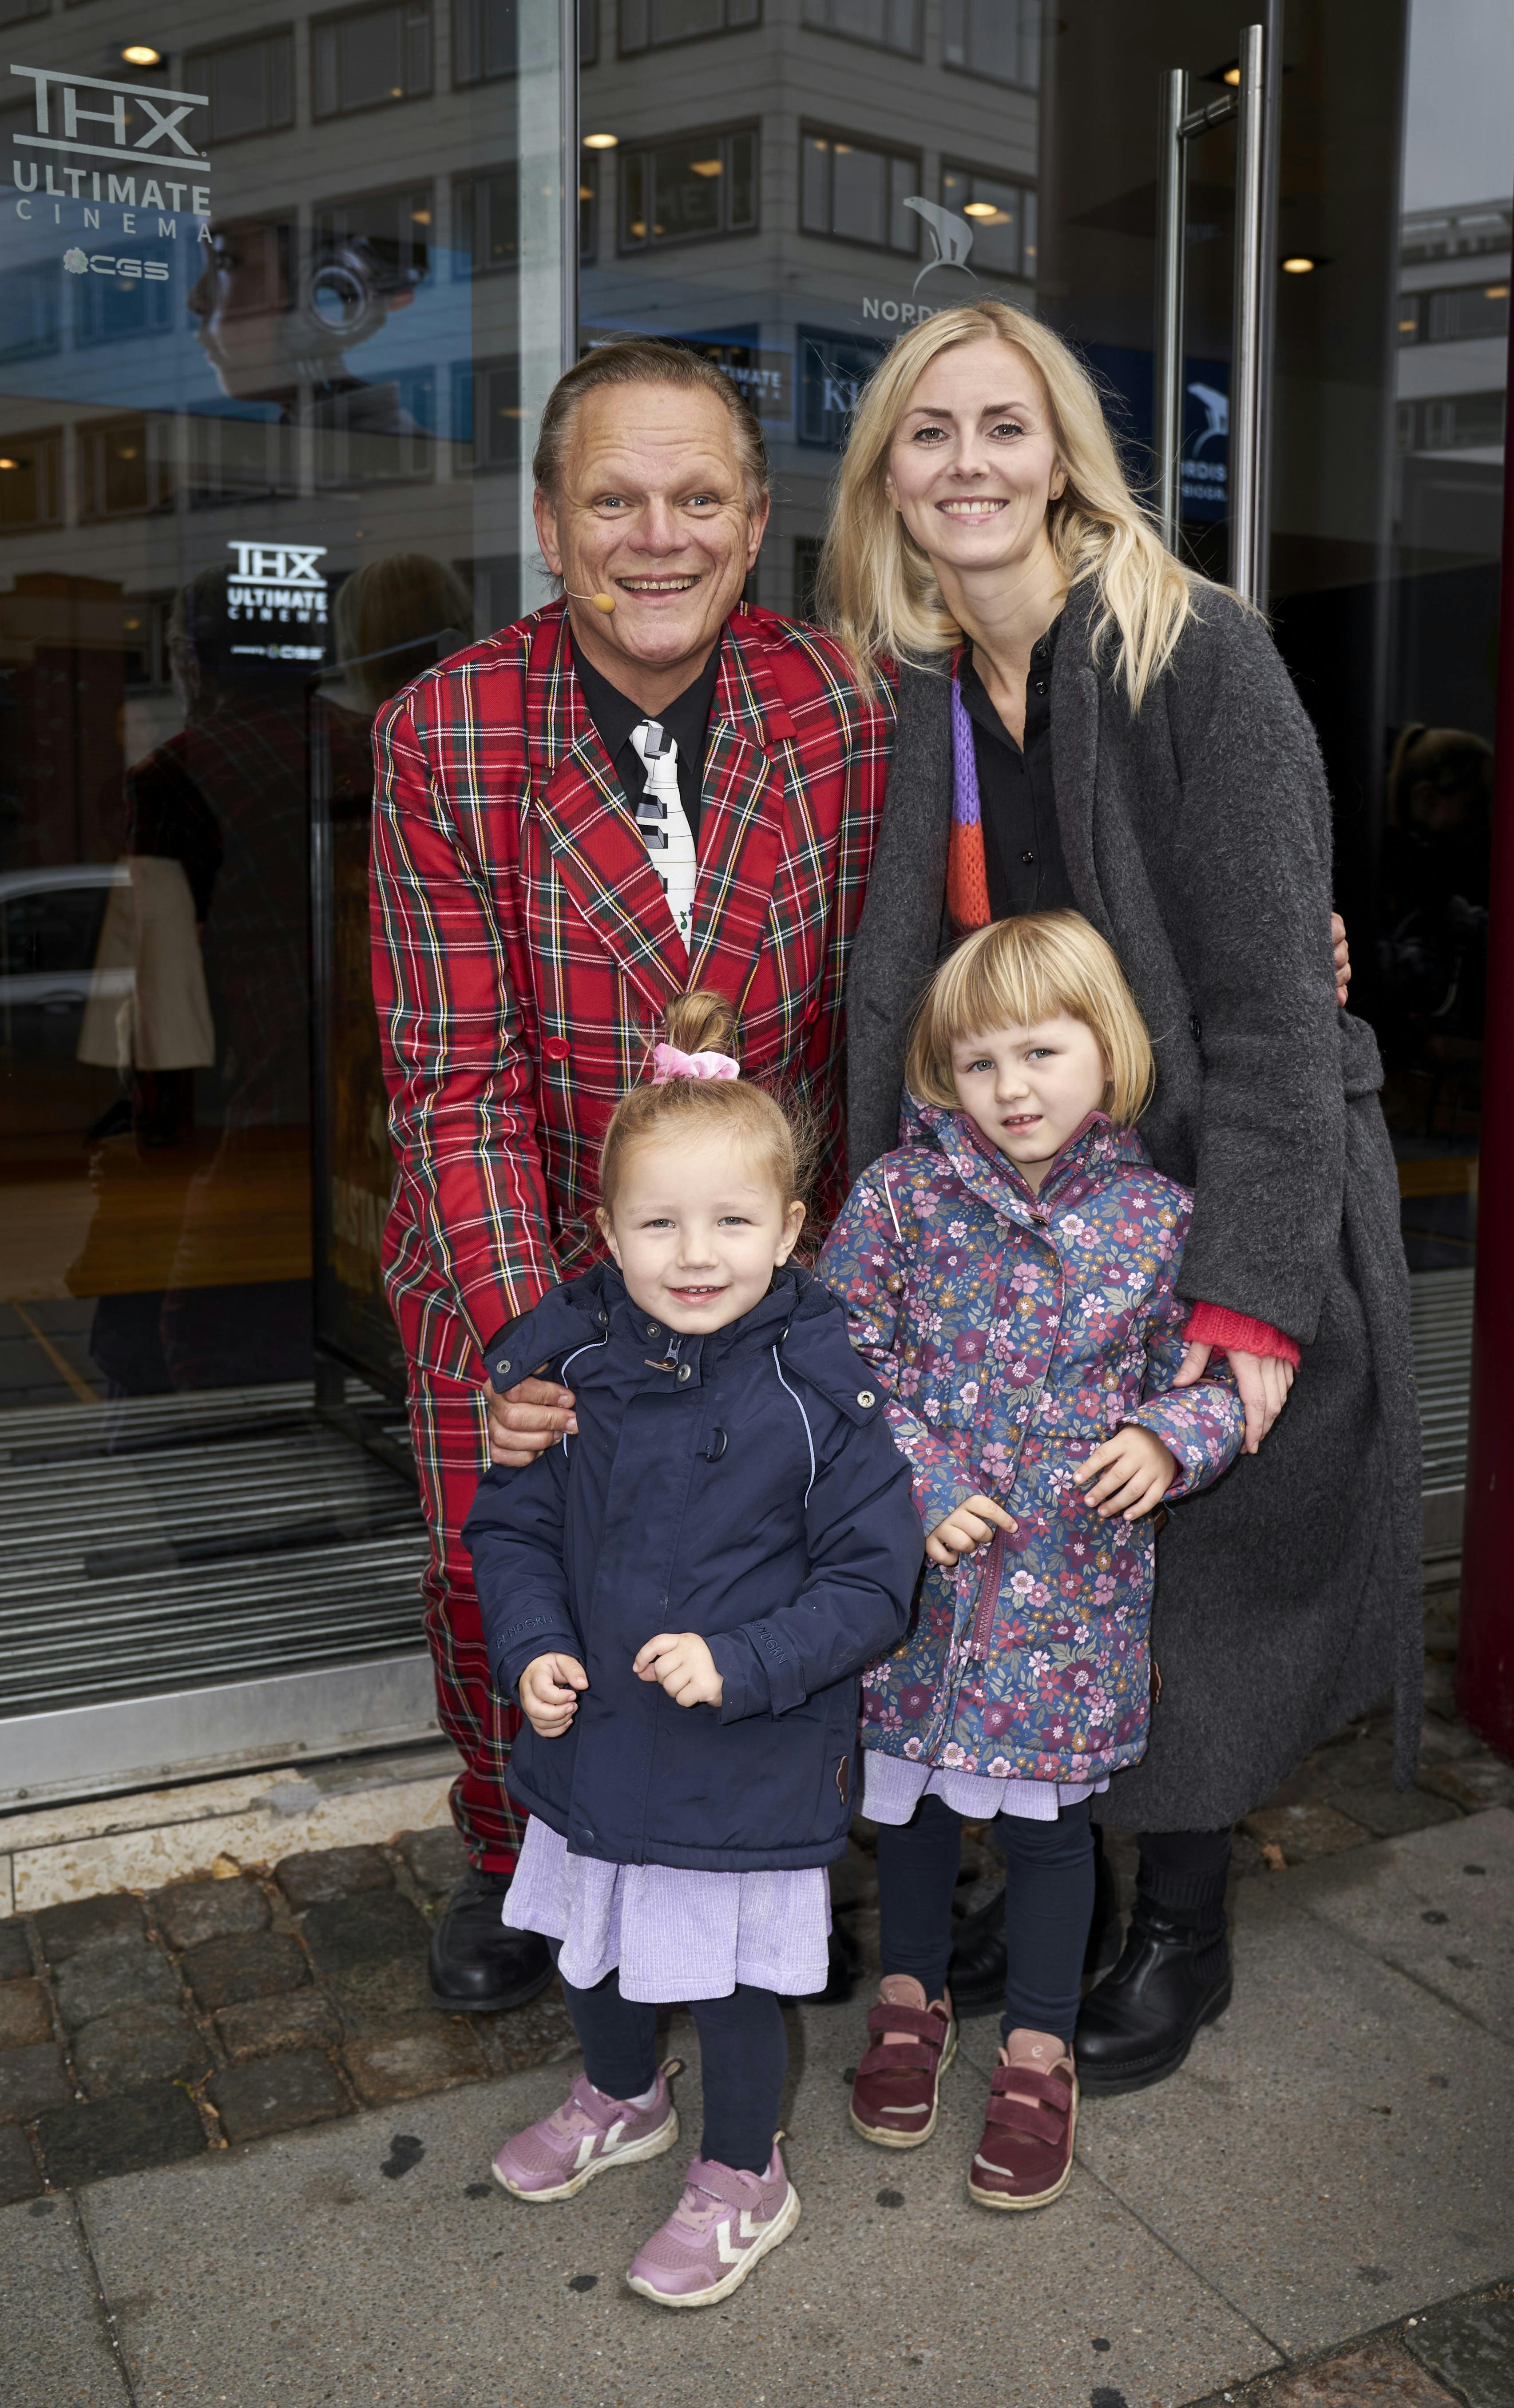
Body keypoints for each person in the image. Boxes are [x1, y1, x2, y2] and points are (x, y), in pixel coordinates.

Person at [826, 298, 1422, 2094]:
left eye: (1006, 427)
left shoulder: (1196, 653)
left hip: (1231, 1181)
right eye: (929, 436)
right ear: (887, 480)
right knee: (1024, 1544)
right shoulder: (917, 686)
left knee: (1203, 1557)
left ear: (1067, 453)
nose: (969, 467)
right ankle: (1053, 1870)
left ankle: (1179, 1919)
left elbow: (1264, 1005)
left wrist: (1248, 1304)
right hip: (1017, 1200)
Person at [370, 341, 893, 2014]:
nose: (651, 537)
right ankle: (505, 1846)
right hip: (516, 1251)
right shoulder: (443, 734)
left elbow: (957, 946)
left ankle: (777, 1856)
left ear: (752, 529)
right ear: (547, 523)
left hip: (768, 1258)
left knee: (781, 1578)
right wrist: (541, 1342)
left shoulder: (856, 706)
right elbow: (449, 1084)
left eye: (695, 500)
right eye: (612, 499)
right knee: (497, 1570)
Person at [464, 992, 921, 2305]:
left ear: (789, 1230)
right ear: (607, 1234)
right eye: (659, 1222)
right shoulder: (577, 1369)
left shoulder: (824, 1390)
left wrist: (747, 1661)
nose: (695, 1252)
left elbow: (873, 1583)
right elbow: (515, 1528)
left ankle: (742, 2171)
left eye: (731, 1221)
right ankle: (620, 2094)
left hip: (746, 1759)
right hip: (593, 1735)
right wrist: (533, 1648)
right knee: (588, 1941)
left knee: (723, 1982)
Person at [820, 913, 1243, 2205]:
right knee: (914, 1816)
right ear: (943, 1074)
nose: (1011, 1089)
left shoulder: (1160, 1218)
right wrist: (923, 1481)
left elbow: (1222, 1376)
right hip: (919, 1591)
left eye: (1040, 1054)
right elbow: (839, 1355)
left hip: (1071, 1595)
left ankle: (1040, 2049)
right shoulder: (900, 1195)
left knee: (1055, 1840)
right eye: (980, 1062)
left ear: (1105, 1055)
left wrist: (1172, 1441)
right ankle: (911, 2000)